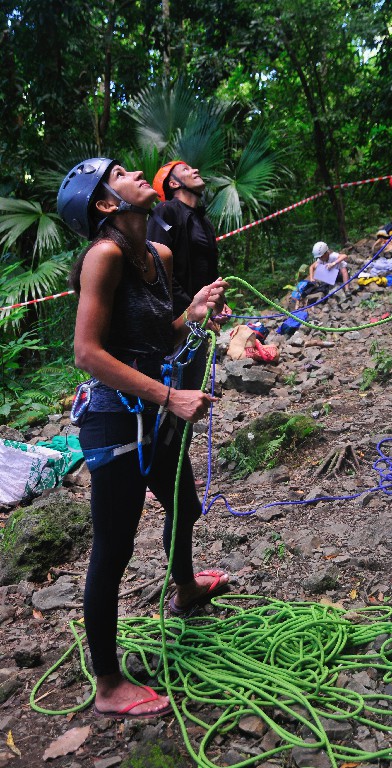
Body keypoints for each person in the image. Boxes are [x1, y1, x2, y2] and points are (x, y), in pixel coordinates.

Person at [57, 157, 229, 719]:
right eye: (120, 174)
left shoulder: (159, 254)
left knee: (184, 504)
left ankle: (185, 588)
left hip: (156, 410)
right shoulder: (103, 257)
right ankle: (108, 684)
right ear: (107, 203)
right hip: (115, 418)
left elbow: (163, 333)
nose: (136, 175)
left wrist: (193, 313)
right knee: (114, 547)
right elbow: (87, 353)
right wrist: (169, 397)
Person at [147, 160, 221, 318]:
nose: (195, 170)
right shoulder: (165, 212)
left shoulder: (204, 221)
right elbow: (158, 267)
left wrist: (219, 304)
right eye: (185, 169)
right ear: (173, 183)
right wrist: (188, 309)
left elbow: (211, 271)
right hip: (176, 317)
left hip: (200, 315)